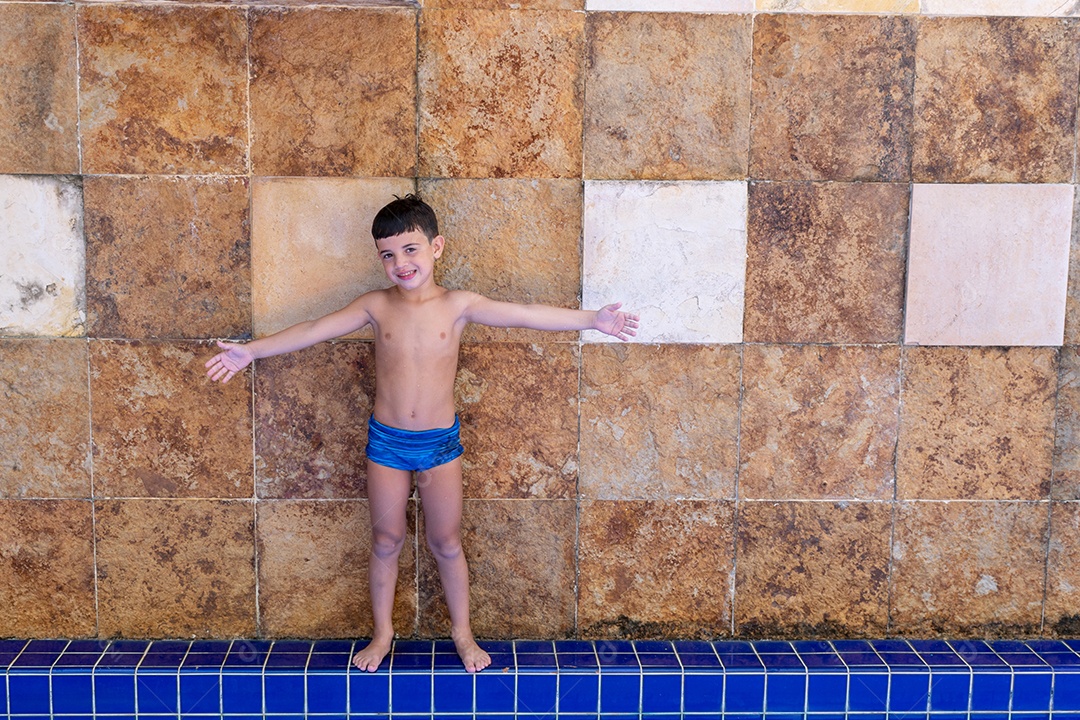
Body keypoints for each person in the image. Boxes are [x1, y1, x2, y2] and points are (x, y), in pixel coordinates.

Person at [205, 194, 638, 673]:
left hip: (439, 446)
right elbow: (315, 328)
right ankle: (383, 634)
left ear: (437, 247)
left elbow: (527, 312)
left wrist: (592, 321)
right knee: (386, 539)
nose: (400, 263)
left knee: (446, 541)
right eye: (388, 254)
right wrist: (253, 352)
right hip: (387, 444)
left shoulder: (459, 306)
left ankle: (463, 633)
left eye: (410, 249)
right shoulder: (375, 306)